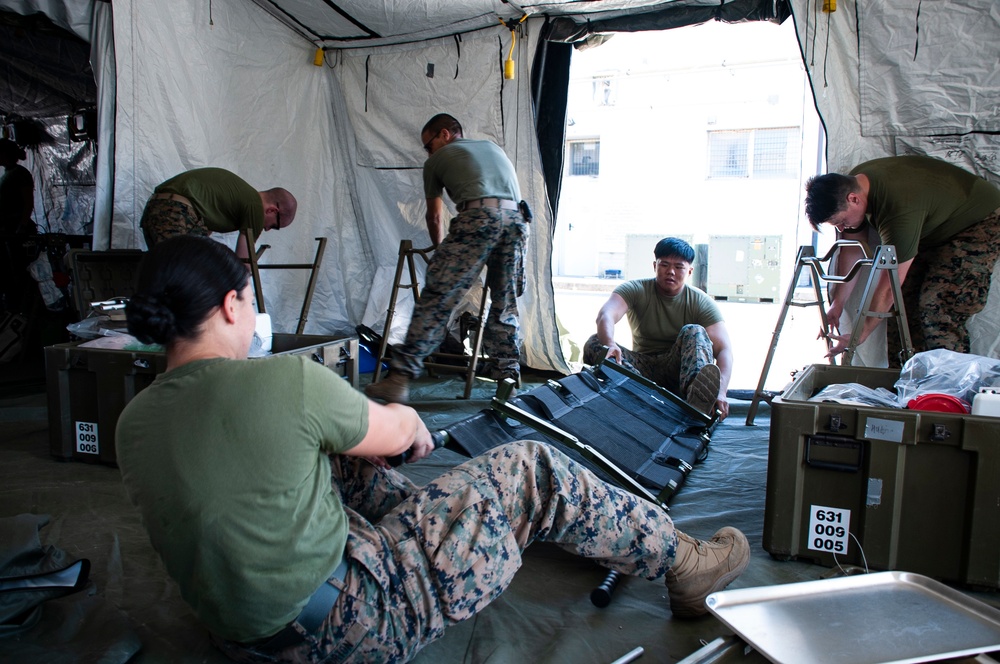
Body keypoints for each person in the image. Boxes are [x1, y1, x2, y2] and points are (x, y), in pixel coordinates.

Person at [115, 235, 750, 664]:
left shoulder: (133, 420)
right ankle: (686, 564)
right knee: (532, 466)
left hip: (240, 638)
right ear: (231, 306)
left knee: (339, 458)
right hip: (351, 627)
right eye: (250, 302)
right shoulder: (282, 381)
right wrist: (406, 416)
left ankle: (454, 530)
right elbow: (401, 433)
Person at [365, 113, 529, 403]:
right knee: (506, 305)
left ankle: (399, 379)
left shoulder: (437, 161)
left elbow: (435, 215)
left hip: (479, 217)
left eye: (428, 145)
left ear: (444, 134)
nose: (428, 153)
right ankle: (507, 379)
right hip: (517, 220)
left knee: (437, 299)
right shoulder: (492, 148)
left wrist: (441, 252)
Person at [804, 155, 1000, 365]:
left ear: (854, 199)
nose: (842, 229)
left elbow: (889, 286)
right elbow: (853, 249)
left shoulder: (898, 211)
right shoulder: (854, 184)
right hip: (936, 227)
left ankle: (950, 388)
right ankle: (906, 381)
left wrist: (860, 335)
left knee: (938, 306)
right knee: (900, 310)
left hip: (979, 221)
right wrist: (837, 304)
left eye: (841, 222)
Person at [583, 237, 733, 421]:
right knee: (595, 343)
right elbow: (606, 314)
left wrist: (721, 391)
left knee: (695, 331)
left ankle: (697, 402)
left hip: (681, 373)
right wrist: (610, 344)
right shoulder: (636, 289)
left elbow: (724, 349)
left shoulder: (700, 301)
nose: (670, 272)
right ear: (655, 266)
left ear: (689, 271)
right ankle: (641, 396)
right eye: (664, 265)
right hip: (640, 372)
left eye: (679, 267)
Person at [139, 167, 297, 259]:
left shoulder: (235, 198)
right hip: (175, 212)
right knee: (185, 274)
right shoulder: (255, 205)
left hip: (157, 207)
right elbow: (244, 262)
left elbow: (202, 230)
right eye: (274, 225)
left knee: (162, 272)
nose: (267, 229)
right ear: (272, 210)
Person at [0, 138, 37, 316]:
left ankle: (24, 308)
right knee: (8, 270)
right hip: (7, 229)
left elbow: (28, 202)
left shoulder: (19, 174)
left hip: (15, 230)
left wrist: (21, 226)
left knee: (18, 270)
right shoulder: (8, 173)